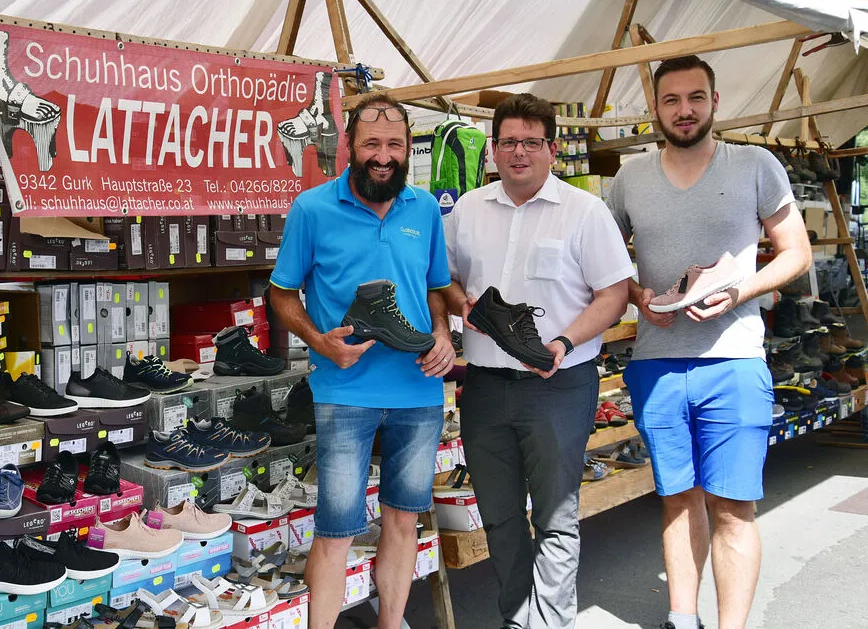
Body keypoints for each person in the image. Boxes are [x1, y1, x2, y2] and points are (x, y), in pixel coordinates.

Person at [607, 55, 811, 629]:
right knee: (677, 498)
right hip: (656, 361)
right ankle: (682, 617)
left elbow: (795, 251)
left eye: (695, 97)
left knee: (733, 507)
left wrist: (742, 289)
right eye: (671, 100)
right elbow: (602, 259)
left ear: (715, 102)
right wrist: (637, 294)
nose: (685, 110)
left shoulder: (754, 165)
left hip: (735, 359)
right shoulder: (630, 178)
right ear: (655, 109)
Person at [442, 93, 634, 628]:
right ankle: (517, 618)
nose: (519, 152)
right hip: (482, 385)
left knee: (555, 516)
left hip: (559, 385)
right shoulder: (468, 210)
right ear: (494, 150)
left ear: (551, 149)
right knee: (500, 517)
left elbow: (614, 294)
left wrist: (565, 343)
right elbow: (447, 280)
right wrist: (465, 307)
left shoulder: (584, 211)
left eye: (531, 142)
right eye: (508, 142)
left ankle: (549, 623)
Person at [269, 92, 455, 629]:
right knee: (337, 528)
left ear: (407, 148)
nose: (384, 155)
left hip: (418, 387)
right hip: (344, 388)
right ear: (349, 145)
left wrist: (441, 332)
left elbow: (437, 287)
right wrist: (319, 341)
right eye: (372, 143)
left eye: (394, 144)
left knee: (403, 520)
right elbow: (282, 294)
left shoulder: (423, 208)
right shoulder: (312, 208)